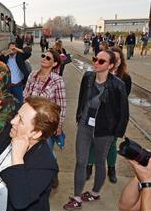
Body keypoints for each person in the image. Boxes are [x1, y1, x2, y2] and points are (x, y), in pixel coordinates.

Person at [63, 50, 129, 210]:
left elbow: (124, 112)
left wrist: (116, 133)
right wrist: (79, 116)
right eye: (95, 59)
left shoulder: (118, 84)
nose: (96, 63)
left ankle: (95, 192)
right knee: (81, 162)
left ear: (111, 65)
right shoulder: (88, 77)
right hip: (85, 126)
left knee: (100, 162)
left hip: (104, 131)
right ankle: (77, 197)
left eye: (101, 61)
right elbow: (82, 98)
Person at [87, 47, 132, 183]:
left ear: (118, 62)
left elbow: (123, 104)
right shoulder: (97, 74)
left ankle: (111, 169)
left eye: (117, 59)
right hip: (95, 116)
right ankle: (89, 167)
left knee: (111, 145)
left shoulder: (125, 78)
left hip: (112, 119)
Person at [23, 49, 66, 188]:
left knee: (46, 152)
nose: (44, 59)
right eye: (43, 56)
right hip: (30, 121)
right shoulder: (33, 75)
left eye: (48, 58)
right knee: (29, 151)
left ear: (54, 64)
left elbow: (61, 105)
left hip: (46, 124)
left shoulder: (57, 81)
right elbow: (25, 94)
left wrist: (59, 125)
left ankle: (53, 172)